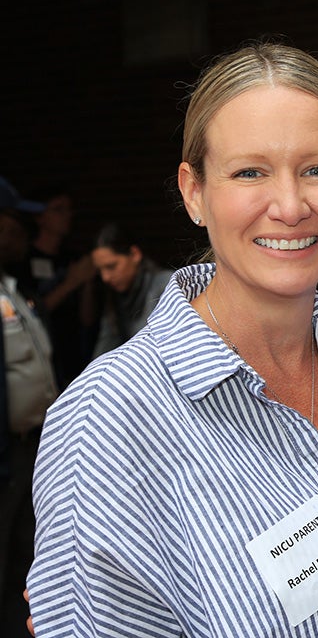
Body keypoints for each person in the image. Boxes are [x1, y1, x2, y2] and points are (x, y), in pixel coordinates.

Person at [28, 42, 318, 637]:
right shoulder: (110, 419)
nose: (290, 205)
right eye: (250, 172)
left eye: (317, 170)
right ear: (193, 191)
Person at [0, 178, 58, 634]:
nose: (24, 234)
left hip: (26, 448)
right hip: (6, 454)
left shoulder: (10, 286)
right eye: (16, 223)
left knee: (23, 553)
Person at [11, 187, 97, 388]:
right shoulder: (22, 259)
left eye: (69, 210)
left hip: (73, 355)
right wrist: (72, 282)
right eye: (58, 209)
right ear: (40, 217)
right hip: (38, 355)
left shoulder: (71, 258)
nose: (67, 216)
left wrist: (87, 282)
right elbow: (28, 314)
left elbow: (88, 319)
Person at [88, 221, 173, 359]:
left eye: (111, 266)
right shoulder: (116, 297)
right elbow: (105, 348)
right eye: (100, 270)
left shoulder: (166, 285)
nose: (105, 277)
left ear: (134, 254)